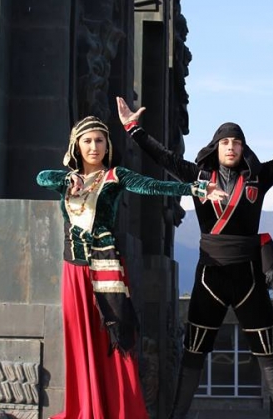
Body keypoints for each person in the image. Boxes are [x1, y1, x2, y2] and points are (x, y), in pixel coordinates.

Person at [117, 94, 273, 419]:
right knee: (193, 354)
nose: (231, 147)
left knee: (269, 355)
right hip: (210, 277)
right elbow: (162, 156)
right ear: (216, 147)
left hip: (250, 277)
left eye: (236, 142)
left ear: (243, 148)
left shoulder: (259, 177)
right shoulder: (197, 177)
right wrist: (133, 128)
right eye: (225, 142)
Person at [36, 116, 225, 419]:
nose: (94, 147)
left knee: (114, 338)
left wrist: (197, 189)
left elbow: (152, 186)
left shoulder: (115, 176)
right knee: (80, 340)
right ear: (76, 146)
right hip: (74, 271)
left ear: (107, 145)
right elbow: (41, 177)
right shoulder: (67, 181)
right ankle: (88, 409)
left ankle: (117, 410)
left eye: (99, 140)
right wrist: (66, 180)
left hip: (106, 268)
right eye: (87, 141)